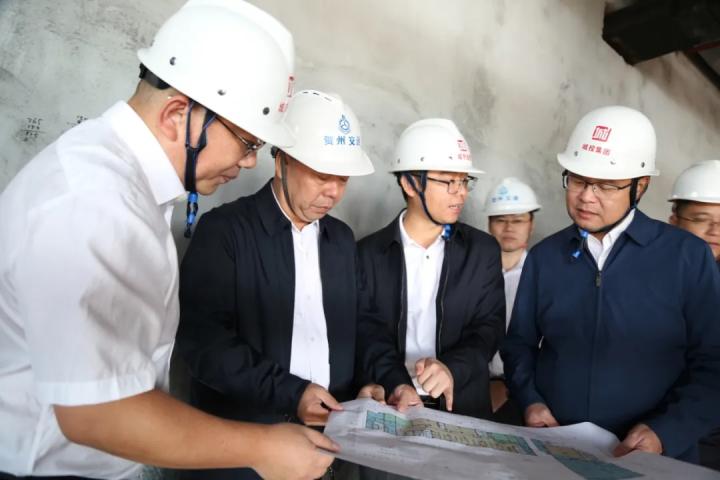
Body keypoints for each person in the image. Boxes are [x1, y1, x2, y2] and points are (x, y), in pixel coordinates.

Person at [0, 2, 338, 479]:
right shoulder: (94, 203)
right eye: (247, 143)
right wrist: (261, 446)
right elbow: (96, 413)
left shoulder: (124, 185)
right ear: (178, 114)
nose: (248, 162)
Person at [175, 89, 375, 479]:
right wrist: (291, 393)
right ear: (281, 159)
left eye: (343, 178)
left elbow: (363, 324)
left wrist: (377, 381)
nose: (334, 191)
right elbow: (204, 345)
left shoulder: (341, 240)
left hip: (328, 447)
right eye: (322, 174)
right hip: (245, 455)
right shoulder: (225, 232)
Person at [502, 106, 720, 463]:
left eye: (605, 185)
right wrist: (531, 402)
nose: (587, 196)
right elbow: (518, 345)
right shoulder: (545, 257)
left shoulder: (686, 257)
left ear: (640, 186)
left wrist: (665, 433)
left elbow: (714, 363)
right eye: (577, 180)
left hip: (656, 459)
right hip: (557, 450)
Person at [357, 118, 505, 417]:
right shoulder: (367, 254)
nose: (461, 192)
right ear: (410, 183)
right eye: (448, 181)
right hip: (391, 404)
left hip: (462, 405)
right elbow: (366, 331)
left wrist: (452, 369)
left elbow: (489, 328)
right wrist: (397, 382)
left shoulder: (482, 251)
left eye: (464, 181)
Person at [668, 159, 720, 470]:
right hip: (653, 426)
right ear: (674, 221)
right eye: (702, 219)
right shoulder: (647, 275)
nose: (715, 231)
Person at [484, 177, 541, 423]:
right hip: (473, 384)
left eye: (518, 220)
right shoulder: (471, 273)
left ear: (531, 224)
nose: (509, 228)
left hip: (528, 393)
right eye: (501, 220)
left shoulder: (543, 275)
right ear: (489, 224)